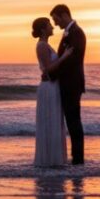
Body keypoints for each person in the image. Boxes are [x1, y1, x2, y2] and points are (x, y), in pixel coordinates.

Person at [49, 4, 86, 164]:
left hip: (71, 85)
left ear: (64, 15)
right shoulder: (69, 33)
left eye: (56, 19)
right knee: (71, 122)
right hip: (67, 84)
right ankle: (75, 158)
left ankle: (78, 160)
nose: (56, 24)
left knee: (74, 123)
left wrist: (51, 73)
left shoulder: (76, 33)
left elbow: (72, 59)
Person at [32, 17, 71, 167]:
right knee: (50, 121)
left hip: (53, 86)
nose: (52, 27)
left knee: (54, 121)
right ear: (43, 29)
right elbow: (48, 68)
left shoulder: (46, 45)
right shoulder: (42, 46)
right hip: (48, 87)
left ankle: (53, 158)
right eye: (49, 25)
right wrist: (64, 57)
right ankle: (49, 160)